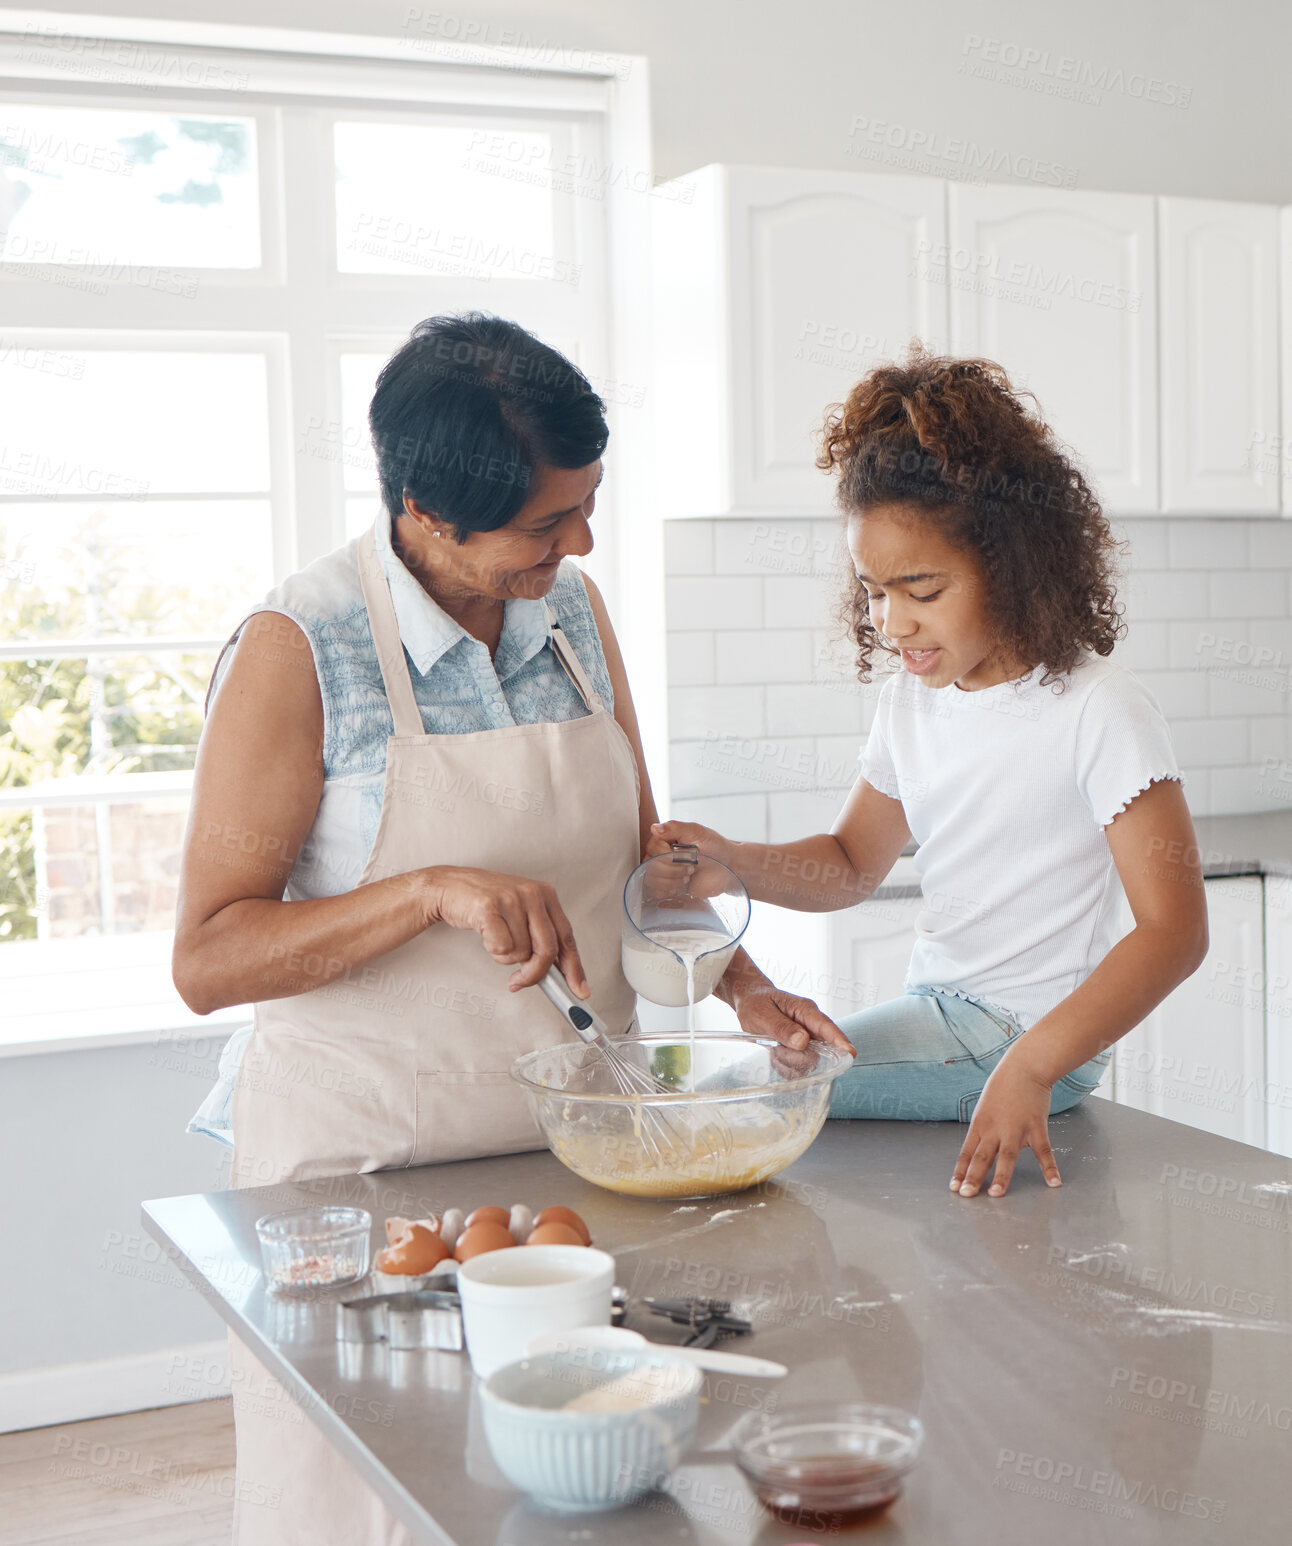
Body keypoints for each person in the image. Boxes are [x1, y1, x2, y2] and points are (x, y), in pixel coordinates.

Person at [173, 313, 850, 1545]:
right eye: (546, 522)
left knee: (585, 1491)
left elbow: (645, 863)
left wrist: (744, 983)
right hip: (369, 1179)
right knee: (375, 1501)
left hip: (584, 1162)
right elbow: (209, 957)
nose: (579, 542)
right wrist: (426, 887)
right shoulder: (299, 649)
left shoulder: (573, 613)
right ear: (428, 507)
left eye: (587, 505)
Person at [651, 346, 1208, 1201]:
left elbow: (1175, 932)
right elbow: (848, 865)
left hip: (1027, 1040)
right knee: (756, 1090)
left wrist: (1028, 1068)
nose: (892, 622)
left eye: (921, 589)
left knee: (742, 1095)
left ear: (1014, 566)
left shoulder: (1099, 707)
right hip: (948, 1020)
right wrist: (732, 863)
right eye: (874, 592)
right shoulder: (914, 703)